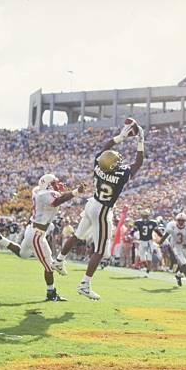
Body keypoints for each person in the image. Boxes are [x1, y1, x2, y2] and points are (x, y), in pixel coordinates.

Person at [56, 120, 144, 300]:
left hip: (92, 203)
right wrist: (140, 140)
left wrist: (120, 137)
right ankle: (84, 284)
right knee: (102, 250)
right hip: (103, 209)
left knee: (78, 235)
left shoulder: (98, 164)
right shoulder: (120, 175)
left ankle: (58, 260)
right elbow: (138, 162)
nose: (119, 160)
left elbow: (106, 148)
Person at [0, 174, 85, 301]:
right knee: (49, 266)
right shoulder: (45, 195)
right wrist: (76, 192)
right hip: (37, 234)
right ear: (48, 185)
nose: (58, 185)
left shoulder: (38, 191)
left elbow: (53, 197)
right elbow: (57, 201)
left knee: (23, 254)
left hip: (33, 230)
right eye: (54, 183)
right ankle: (51, 293)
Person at [157, 213, 186, 289]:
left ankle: (178, 275)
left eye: (182, 220)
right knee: (183, 263)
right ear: (176, 220)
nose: (181, 222)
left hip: (184, 245)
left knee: (185, 265)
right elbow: (165, 235)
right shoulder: (172, 226)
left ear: (185, 221)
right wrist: (159, 243)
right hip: (175, 246)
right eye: (179, 220)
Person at [134, 209, 158, 277]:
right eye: (144, 216)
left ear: (148, 216)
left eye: (146, 216)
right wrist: (130, 234)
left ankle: (147, 272)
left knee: (149, 257)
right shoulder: (138, 222)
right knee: (142, 258)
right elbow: (134, 230)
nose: (145, 217)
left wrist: (163, 237)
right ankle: (147, 268)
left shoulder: (153, 223)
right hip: (141, 241)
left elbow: (157, 231)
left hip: (149, 241)